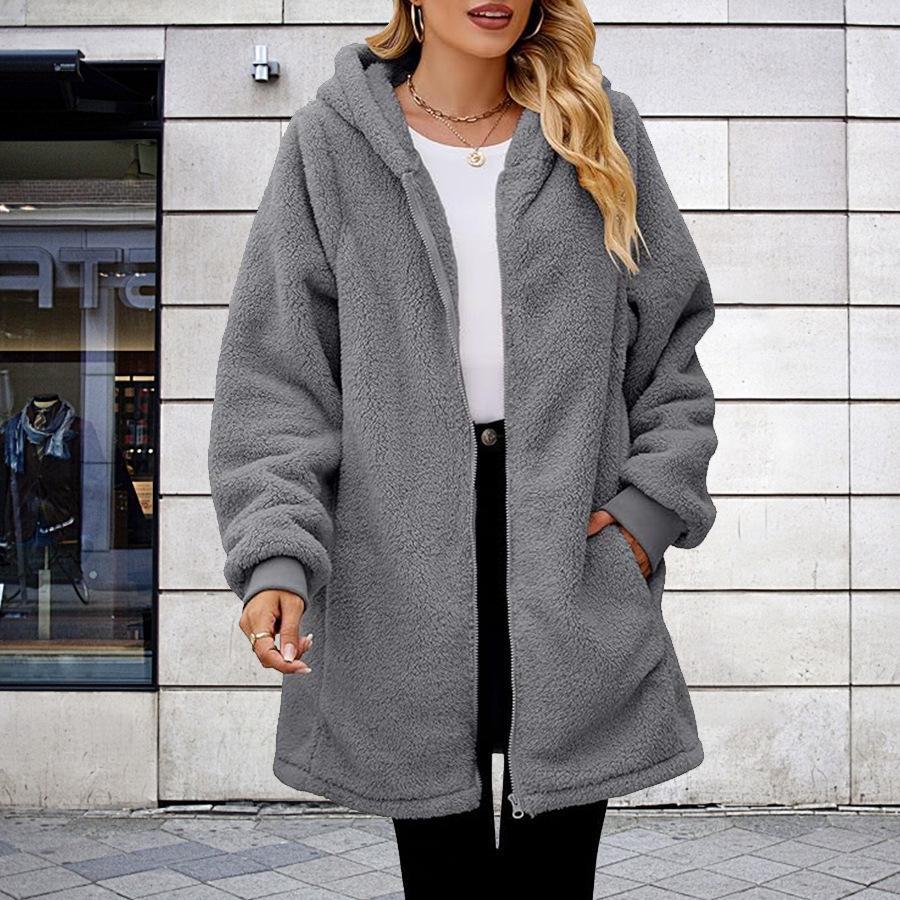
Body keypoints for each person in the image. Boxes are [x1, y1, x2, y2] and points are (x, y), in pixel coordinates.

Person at [208, 1, 718, 896]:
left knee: (555, 877)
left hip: (573, 544)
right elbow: (279, 377)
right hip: (397, 560)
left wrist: (643, 519)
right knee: (442, 878)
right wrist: (276, 556)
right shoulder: (330, 144)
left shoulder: (597, 128)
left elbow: (670, 349)